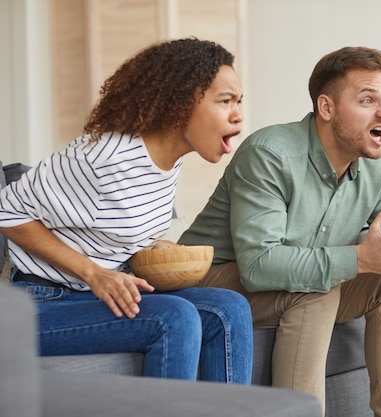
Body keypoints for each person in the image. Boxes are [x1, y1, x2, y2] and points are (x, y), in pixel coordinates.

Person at [178, 46, 381, 415]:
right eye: (368, 100)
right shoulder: (269, 154)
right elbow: (258, 265)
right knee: (314, 291)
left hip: (279, 284)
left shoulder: (375, 166)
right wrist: (360, 257)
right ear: (327, 108)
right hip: (213, 283)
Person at [0, 38, 253, 384]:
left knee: (229, 308)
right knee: (173, 317)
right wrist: (94, 273)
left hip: (97, 299)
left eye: (238, 101)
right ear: (178, 101)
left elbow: (112, 230)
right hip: (42, 305)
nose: (238, 114)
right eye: (225, 101)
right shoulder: (103, 158)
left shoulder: (169, 160)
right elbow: (6, 211)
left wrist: (158, 251)